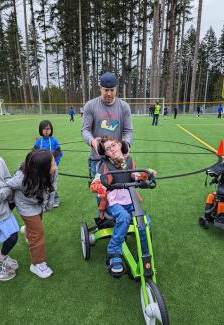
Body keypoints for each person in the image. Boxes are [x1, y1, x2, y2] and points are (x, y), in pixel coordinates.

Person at [90, 135, 156, 278]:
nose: (112, 149)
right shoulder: (105, 166)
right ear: (106, 153)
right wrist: (99, 186)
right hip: (114, 202)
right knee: (124, 217)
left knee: (144, 221)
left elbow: (135, 175)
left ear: (120, 145)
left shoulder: (129, 161)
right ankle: (114, 253)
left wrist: (146, 174)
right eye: (108, 149)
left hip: (130, 199)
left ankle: (144, 253)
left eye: (113, 145)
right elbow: (95, 182)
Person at [6, 150, 57, 279]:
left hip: (39, 203)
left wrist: (49, 204)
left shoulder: (52, 172)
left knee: (35, 228)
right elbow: (8, 185)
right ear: (41, 169)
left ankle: (27, 231)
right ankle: (37, 264)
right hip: (25, 206)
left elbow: (53, 187)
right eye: (52, 164)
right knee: (38, 234)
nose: (55, 166)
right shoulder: (20, 179)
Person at [81, 72, 133, 178]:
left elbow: (128, 130)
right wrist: (93, 142)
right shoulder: (90, 106)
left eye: (112, 90)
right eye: (106, 90)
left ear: (116, 89)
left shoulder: (124, 107)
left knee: (122, 188)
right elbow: (85, 130)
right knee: (100, 192)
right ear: (100, 88)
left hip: (118, 159)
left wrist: (126, 144)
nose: (109, 93)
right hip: (96, 158)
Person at [0, 134, 19, 282]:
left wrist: (12, 184)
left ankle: (1, 256)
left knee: (13, 235)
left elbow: (8, 178)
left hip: (3, 210)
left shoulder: (0, 161)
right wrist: (3, 194)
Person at [33, 120, 62, 207]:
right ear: (40, 130)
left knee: (52, 184)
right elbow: (33, 152)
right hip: (41, 169)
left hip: (52, 168)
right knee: (43, 184)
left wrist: (54, 162)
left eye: (48, 129)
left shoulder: (54, 140)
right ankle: (44, 200)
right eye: (44, 129)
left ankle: (55, 199)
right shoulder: (38, 141)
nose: (46, 131)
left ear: (51, 130)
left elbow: (59, 152)